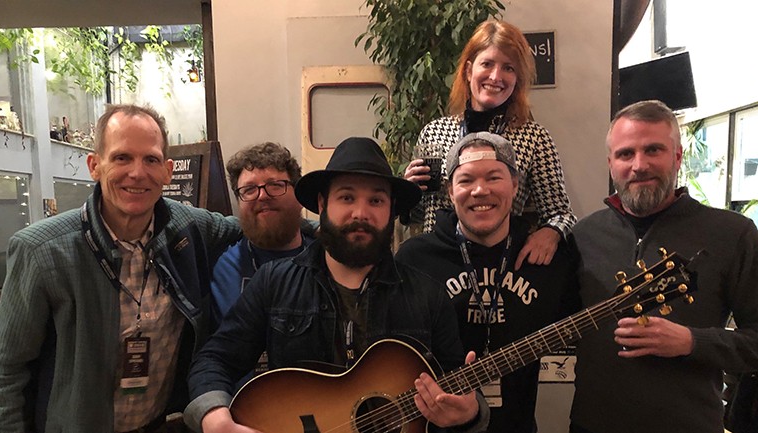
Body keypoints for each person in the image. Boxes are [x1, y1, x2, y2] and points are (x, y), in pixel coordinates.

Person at [184, 137, 489, 433]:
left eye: (376, 200)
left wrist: (470, 413)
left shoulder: (428, 295)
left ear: (391, 210)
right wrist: (214, 418)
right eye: (346, 197)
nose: (360, 212)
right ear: (322, 203)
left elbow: (454, 387)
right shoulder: (274, 283)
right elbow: (215, 359)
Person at [0, 104, 241, 433]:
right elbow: (5, 372)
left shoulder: (186, 228)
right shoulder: (42, 252)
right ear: (94, 165)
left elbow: (255, 228)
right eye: (122, 157)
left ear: (168, 171)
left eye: (151, 159)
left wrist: (325, 231)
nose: (138, 173)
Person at [569, 100, 758, 433]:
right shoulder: (582, 236)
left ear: (677, 157)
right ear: (610, 163)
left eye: (653, 150)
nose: (639, 165)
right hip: (592, 425)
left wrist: (693, 342)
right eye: (625, 154)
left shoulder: (733, 234)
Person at [397, 132, 580, 433]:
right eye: (466, 180)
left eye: (494, 177)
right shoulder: (413, 259)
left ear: (516, 185)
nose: (480, 191)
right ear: (450, 191)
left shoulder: (549, 260)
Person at [404, 19, 576, 270]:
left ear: (518, 78)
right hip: (440, 265)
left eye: (508, 68)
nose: (496, 76)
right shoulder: (433, 133)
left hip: (500, 268)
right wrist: (409, 193)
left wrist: (550, 232)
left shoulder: (534, 137)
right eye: (487, 64)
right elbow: (421, 215)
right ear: (468, 70)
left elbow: (561, 213)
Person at [211, 142, 317, 325]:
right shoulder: (216, 263)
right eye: (249, 189)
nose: (262, 196)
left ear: (299, 197)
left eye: (275, 185)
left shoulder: (327, 261)